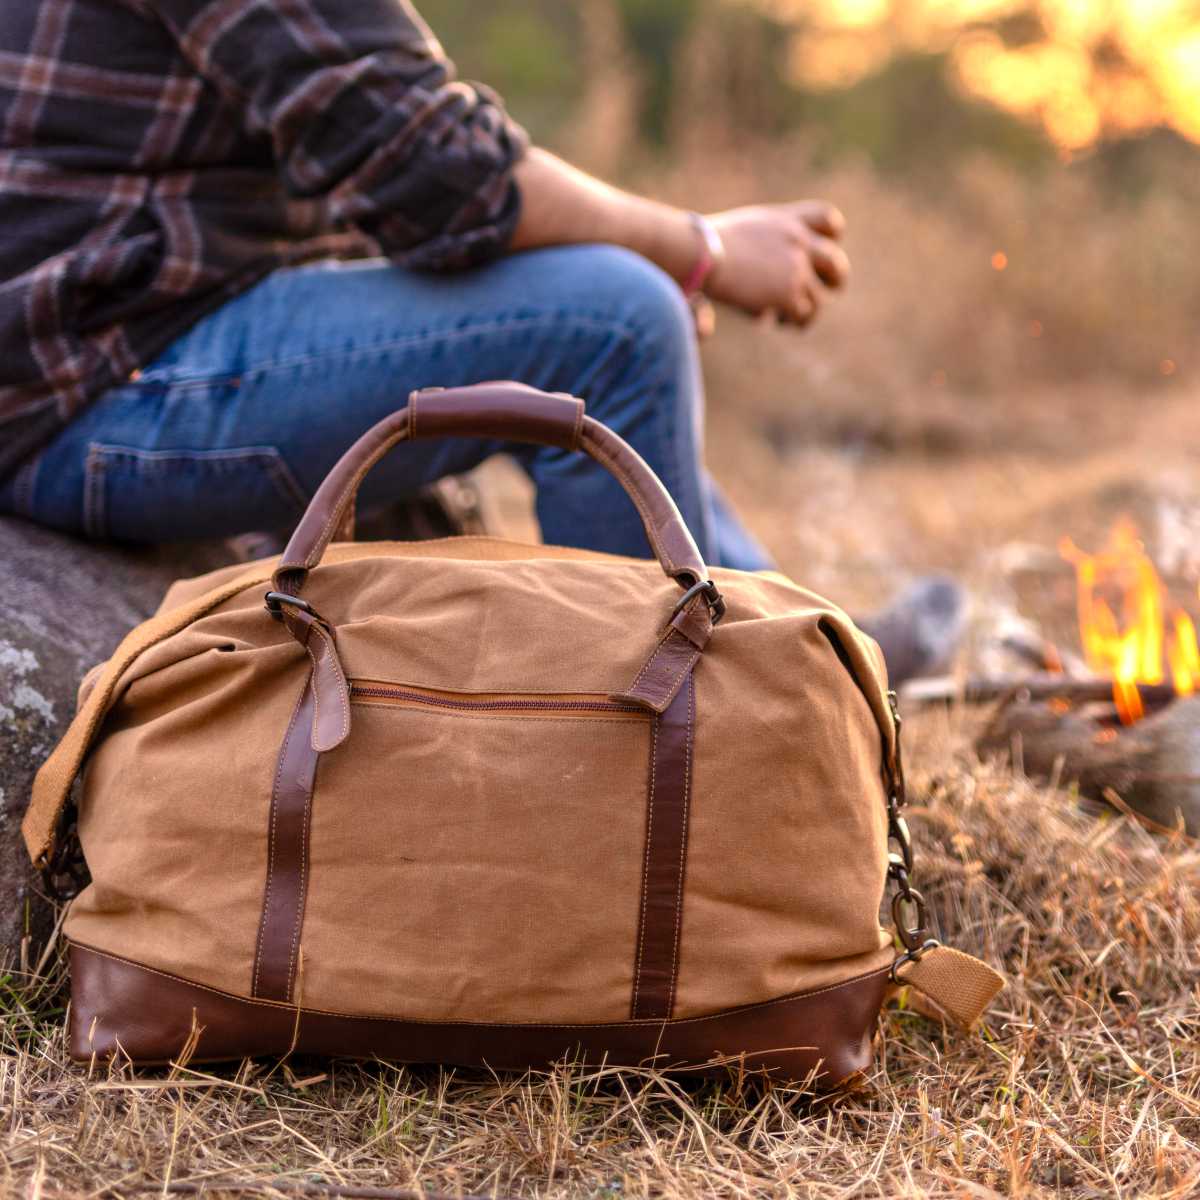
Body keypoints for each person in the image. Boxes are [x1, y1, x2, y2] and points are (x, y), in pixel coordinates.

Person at [0, 0, 960, 678]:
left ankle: (789, 633)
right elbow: (437, 168)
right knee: (613, 321)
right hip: (93, 381)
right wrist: (699, 249)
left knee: (584, 310)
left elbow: (364, 172)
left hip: (104, 343)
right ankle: (683, 750)